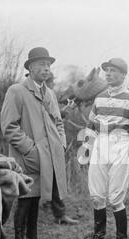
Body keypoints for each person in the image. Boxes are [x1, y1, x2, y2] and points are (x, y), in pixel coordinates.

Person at [1, 47, 68, 239]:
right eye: (41, 64)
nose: (46, 69)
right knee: (24, 200)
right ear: (30, 68)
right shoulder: (16, 91)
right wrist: (30, 150)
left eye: (48, 65)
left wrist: (61, 144)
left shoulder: (49, 92)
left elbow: (58, 122)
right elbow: (9, 127)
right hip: (26, 158)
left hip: (49, 158)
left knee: (37, 198)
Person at [84, 58, 129, 239]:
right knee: (96, 196)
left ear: (123, 74)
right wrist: (87, 149)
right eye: (106, 71)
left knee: (116, 197)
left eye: (112, 71)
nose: (108, 74)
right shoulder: (99, 97)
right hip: (100, 144)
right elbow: (91, 126)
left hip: (121, 144)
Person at [43, 72, 79, 225]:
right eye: (52, 82)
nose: (53, 84)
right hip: (44, 143)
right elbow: (50, 117)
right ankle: (58, 213)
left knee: (52, 178)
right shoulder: (43, 94)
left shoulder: (47, 94)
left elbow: (53, 116)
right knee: (51, 178)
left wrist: (65, 110)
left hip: (49, 142)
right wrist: (65, 111)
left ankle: (55, 210)